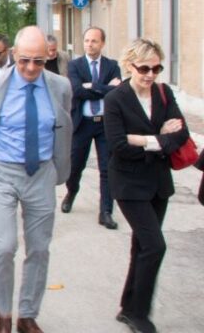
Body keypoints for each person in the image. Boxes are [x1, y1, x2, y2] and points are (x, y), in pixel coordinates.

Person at [0, 26, 72, 333]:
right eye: (24, 60)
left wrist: (60, 167)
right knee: (5, 246)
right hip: (2, 172)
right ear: (14, 55)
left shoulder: (60, 86)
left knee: (39, 248)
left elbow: (63, 125)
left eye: (39, 61)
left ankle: (27, 315)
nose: (31, 68)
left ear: (47, 57)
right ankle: (4, 313)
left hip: (41, 173)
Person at [104, 39, 189, 333]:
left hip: (158, 182)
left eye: (156, 68)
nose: (151, 74)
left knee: (142, 245)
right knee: (154, 246)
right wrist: (159, 137)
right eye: (144, 68)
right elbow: (118, 145)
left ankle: (128, 308)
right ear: (130, 66)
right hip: (128, 183)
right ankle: (139, 313)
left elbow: (182, 134)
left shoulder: (164, 93)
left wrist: (142, 139)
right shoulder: (115, 99)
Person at [62, 27, 122, 230]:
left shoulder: (112, 66)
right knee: (75, 166)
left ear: (102, 43)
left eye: (94, 41)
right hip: (83, 123)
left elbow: (116, 92)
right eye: (87, 40)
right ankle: (71, 192)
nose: (89, 44)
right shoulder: (75, 65)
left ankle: (106, 211)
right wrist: (104, 87)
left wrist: (92, 86)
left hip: (105, 124)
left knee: (107, 168)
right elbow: (77, 91)